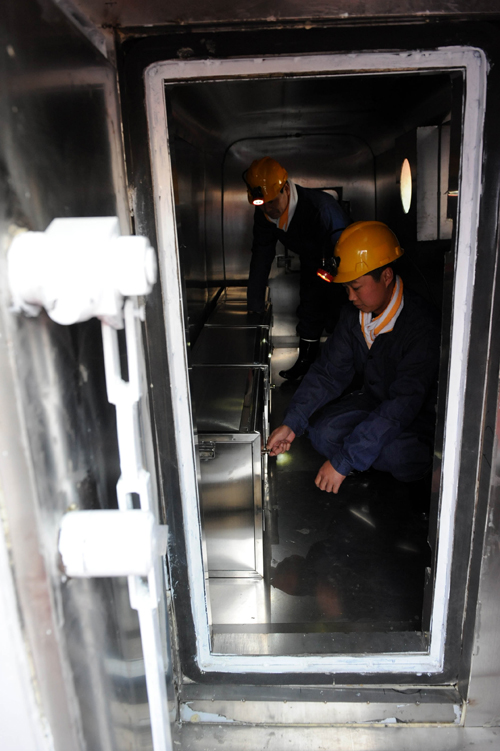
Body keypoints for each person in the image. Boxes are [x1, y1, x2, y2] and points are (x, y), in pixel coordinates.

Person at [266, 220, 440, 493]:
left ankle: (362, 457)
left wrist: (343, 461)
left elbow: (402, 405)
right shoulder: (353, 318)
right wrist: (291, 423)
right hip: (374, 402)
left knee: (400, 455)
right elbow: (327, 373)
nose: (350, 297)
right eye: (345, 288)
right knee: (321, 433)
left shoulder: (421, 326)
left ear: (386, 276)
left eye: (356, 287)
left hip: (413, 416)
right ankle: (364, 454)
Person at [243, 156, 350, 379]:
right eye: (263, 204)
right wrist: (254, 305)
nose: (269, 209)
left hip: (341, 267)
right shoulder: (264, 213)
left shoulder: (321, 209)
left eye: (272, 202)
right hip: (312, 264)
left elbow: (345, 251)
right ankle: (306, 363)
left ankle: (345, 370)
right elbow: (262, 254)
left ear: (285, 189)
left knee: (340, 314)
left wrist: (336, 279)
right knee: (309, 308)